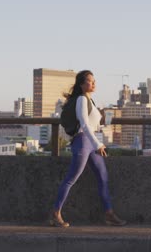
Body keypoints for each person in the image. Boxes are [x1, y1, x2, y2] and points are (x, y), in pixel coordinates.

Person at [50, 70, 126, 227]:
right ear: (82, 84)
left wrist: (104, 122)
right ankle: (55, 213)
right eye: (90, 81)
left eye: (94, 81)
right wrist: (98, 144)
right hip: (83, 141)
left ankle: (109, 214)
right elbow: (84, 124)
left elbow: (93, 125)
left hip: (91, 142)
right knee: (71, 178)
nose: (94, 83)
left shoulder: (91, 101)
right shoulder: (81, 100)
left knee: (102, 177)